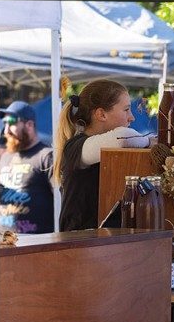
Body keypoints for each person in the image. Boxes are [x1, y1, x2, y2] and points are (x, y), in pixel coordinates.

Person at [54, 80, 138, 231]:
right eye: (126, 110)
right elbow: (123, 137)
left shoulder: (107, 147)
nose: (132, 117)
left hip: (100, 244)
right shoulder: (75, 147)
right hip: (79, 244)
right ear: (101, 114)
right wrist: (151, 141)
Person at [0, 101, 55, 234]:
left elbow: (61, 201)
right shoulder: (6, 157)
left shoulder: (46, 156)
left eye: (11, 122)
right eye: (4, 123)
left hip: (35, 244)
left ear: (29, 125)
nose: (6, 130)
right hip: (5, 241)